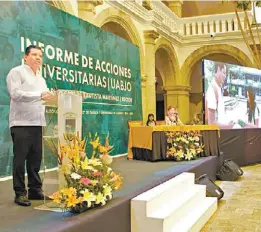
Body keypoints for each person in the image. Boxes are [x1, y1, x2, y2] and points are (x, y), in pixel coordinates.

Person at [6, 45, 55, 206]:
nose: (38, 58)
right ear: (25, 57)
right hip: (21, 123)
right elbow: (16, 94)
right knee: (20, 159)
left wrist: (52, 96)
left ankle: (35, 190)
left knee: (35, 159)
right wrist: (39, 95)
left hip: (37, 122)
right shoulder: (17, 72)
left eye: (40, 55)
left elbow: (45, 96)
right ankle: (20, 193)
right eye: (34, 54)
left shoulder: (41, 78)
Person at [205, 62, 234, 129]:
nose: (225, 76)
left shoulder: (218, 87)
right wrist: (229, 126)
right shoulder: (212, 89)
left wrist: (226, 108)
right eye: (224, 72)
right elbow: (211, 123)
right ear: (218, 69)